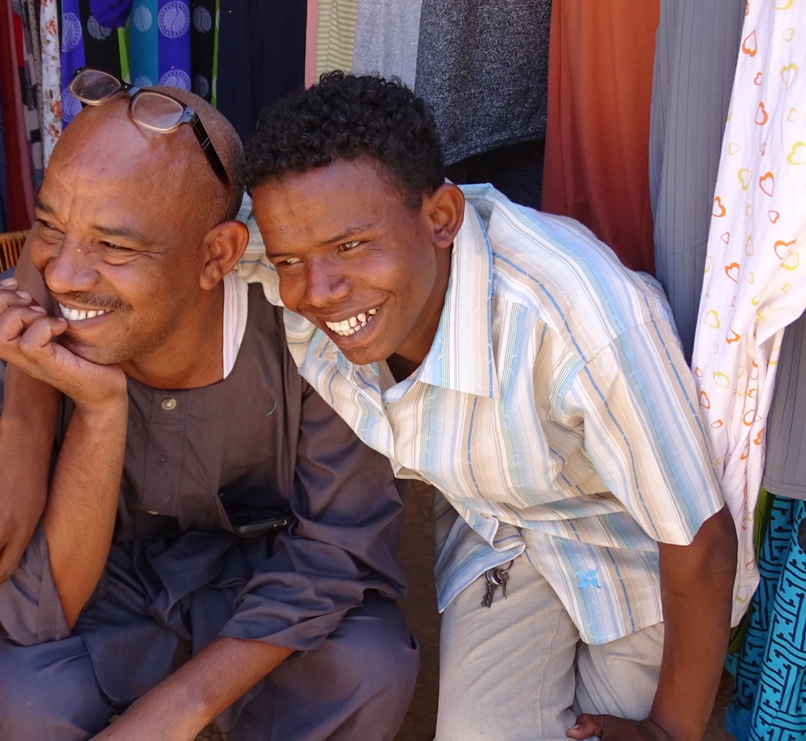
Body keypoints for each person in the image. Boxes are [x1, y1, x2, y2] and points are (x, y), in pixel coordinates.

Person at [235, 72, 737, 741]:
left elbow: (699, 545)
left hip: (637, 554)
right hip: (499, 523)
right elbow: (173, 216)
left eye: (350, 247)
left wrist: (669, 732)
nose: (318, 290)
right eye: (290, 258)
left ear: (441, 219)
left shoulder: (575, 320)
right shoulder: (290, 249)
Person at [0, 71, 418, 741]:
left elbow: (340, 545)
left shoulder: (306, 324)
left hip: (261, 574)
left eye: (115, 246)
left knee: (367, 664)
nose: (64, 274)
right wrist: (86, 412)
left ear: (216, 255)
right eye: (49, 225)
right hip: (100, 596)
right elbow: (32, 614)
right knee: (35, 698)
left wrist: (182, 706)